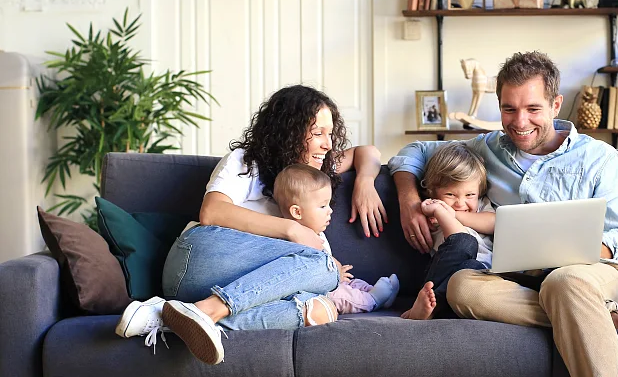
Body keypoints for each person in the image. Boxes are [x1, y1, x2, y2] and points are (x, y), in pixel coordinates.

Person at [389, 51, 618, 377]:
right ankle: (608, 315)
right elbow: (416, 152)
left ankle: (589, 303)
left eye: (533, 109)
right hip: (515, 282)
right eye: (509, 109)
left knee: (563, 281)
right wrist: (409, 200)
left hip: (590, 275)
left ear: (556, 105)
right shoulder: (486, 148)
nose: (519, 123)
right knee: (462, 287)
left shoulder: (600, 159)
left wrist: (575, 249)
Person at [115, 85, 388, 365]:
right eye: (317, 133)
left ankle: (169, 317)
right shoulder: (246, 162)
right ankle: (209, 310)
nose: (328, 144)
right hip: (198, 260)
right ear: (289, 132)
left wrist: (365, 183)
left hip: (230, 290)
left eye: (330, 133)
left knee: (322, 309)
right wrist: (293, 230)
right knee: (324, 265)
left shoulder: (313, 172)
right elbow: (212, 211)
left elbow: (366, 152)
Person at [273, 164, 400, 315]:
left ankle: (380, 294)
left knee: (352, 283)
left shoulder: (315, 232)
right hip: (316, 291)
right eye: (322, 206)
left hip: (330, 280)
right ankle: (373, 300)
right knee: (342, 296)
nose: (330, 210)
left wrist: (337, 269)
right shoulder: (292, 239)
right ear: (297, 212)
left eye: (328, 204)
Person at [399, 143, 495, 320]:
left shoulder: (481, 205)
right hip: (447, 278)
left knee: (472, 267)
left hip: (481, 278)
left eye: (470, 195)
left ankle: (433, 311)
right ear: (432, 191)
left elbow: (494, 222)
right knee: (465, 244)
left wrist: (453, 213)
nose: (460, 203)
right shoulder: (432, 210)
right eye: (451, 195)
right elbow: (460, 238)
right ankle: (426, 310)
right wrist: (442, 213)